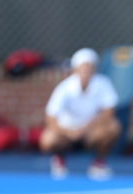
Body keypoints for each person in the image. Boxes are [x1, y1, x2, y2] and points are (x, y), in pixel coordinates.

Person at [39, 48, 121, 180]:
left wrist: (85, 129)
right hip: (67, 131)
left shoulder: (103, 84)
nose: (86, 71)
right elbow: (51, 116)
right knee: (48, 139)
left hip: (90, 131)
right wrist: (68, 132)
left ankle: (98, 163)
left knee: (113, 127)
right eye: (83, 67)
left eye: (89, 67)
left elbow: (109, 112)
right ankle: (59, 160)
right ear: (75, 69)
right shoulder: (64, 87)